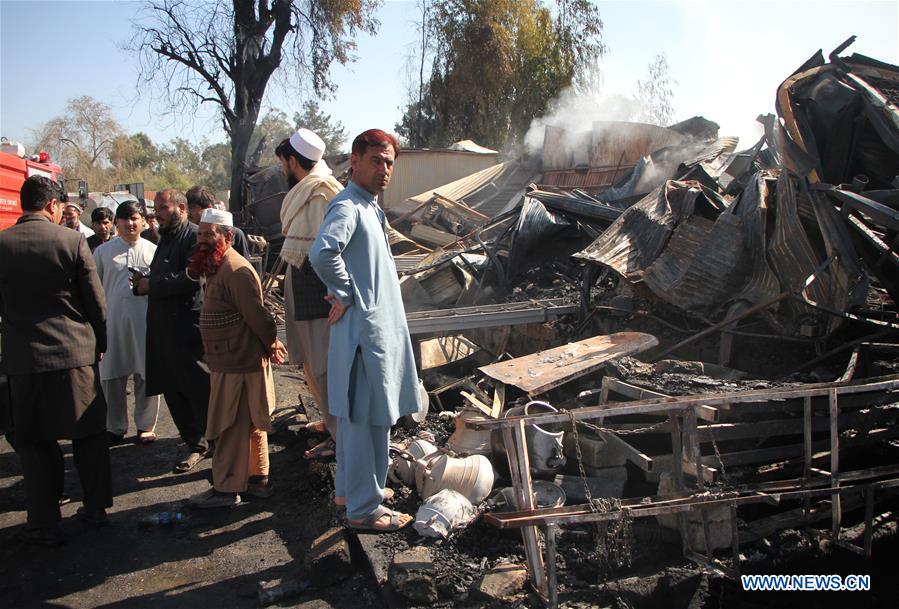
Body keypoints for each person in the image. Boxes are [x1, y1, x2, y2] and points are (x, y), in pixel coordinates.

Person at [309, 129, 422, 532]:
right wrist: (345, 291)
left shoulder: (370, 207)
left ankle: (351, 490)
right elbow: (322, 253)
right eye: (376, 160)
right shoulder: (349, 206)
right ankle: (363, 509)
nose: (384, 169)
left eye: (390, 162)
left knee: (372, 416)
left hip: (375, 334)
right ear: (354, 160)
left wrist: (348, 289)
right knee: (362, 419)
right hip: (363, 336)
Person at [0, 176, 112, 545]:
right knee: (89, 436)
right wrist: (101, 341)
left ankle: (44, 520)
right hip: (74, 355)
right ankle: (95, 508)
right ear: (52, 206)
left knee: (34, 443)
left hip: (24, 360)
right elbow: (95, 302)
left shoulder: (2, 245)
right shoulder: (71, 240)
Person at [187, 208, 286, 508]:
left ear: (228, 236)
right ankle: (257, 480)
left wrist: (271, 341)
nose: (202, 240)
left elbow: (257, 315)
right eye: (200, 234)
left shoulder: (236, 269)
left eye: (209, 235)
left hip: (240, 362)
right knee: (249, 424)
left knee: (231, 425)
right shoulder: (217, 266)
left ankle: (226, 490)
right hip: (229, 361)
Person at [276, 129, 344, 460]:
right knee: (309, 363)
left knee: (325, 366)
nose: (281, 171)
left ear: (293, 161)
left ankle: (340, 437)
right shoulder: (305, 191)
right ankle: (329, 423)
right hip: (302, 285)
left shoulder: (322, 193)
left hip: (320, 294)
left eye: (282, 164)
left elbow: (328, 254)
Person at [132, 189, 211, 473]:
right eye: (156, 208)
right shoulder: (163, 237)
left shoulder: (193, 236)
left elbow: (193, 277)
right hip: (163, 329)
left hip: (187, 329)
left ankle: (206, 443)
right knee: (172, 388)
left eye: (163, 207)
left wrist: (152, 285)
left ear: (181, 207)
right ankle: (193, 441)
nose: (158, 213)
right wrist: (145, 281)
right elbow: (165, 275)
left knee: (197, 388)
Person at [93, 201, 160, 446]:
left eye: (135, 218)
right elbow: (95, 289)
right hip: (112, 326)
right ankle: (115, 426)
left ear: (142, 220)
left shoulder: (153, 250)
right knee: (111, 378)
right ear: (116, 223)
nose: (130, 224)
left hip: (145, 324)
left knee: (147, 376)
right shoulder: (102, 253)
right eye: (125, 219)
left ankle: (146, 426)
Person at [185, 186, 251, 258]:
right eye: (199, 234)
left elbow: (243, 264)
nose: (188, 213)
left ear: (208, 208)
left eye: (192, 208)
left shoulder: (236, 234)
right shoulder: (187, 234)